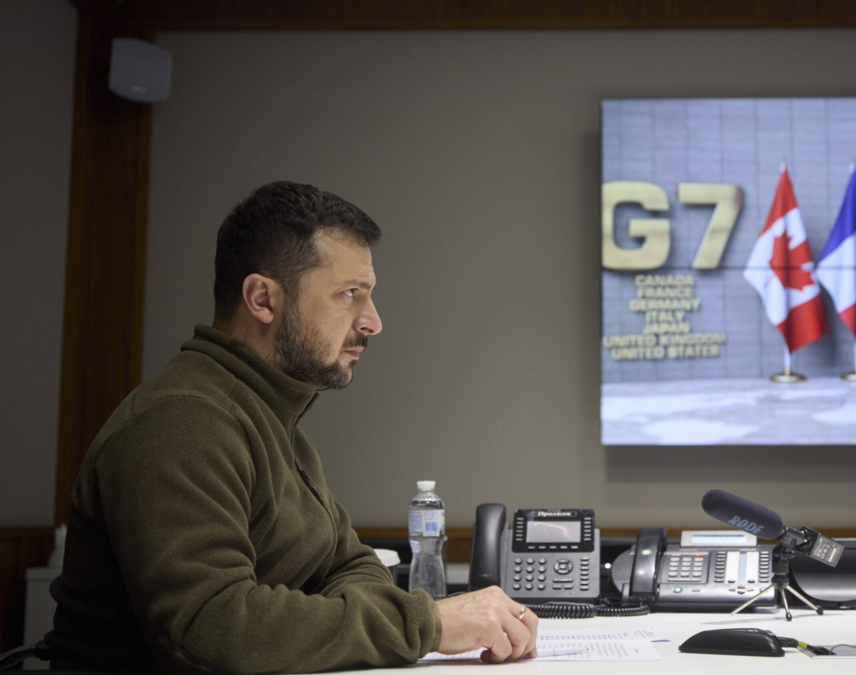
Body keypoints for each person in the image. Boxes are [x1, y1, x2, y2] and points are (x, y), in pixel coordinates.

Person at [47, 182, 538, 672]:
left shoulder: (273, 420)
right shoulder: (180, 422)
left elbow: (351, 565)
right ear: (262, 299)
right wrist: (426, 623)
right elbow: (209, 630)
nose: (372, 321)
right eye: (349, 294)